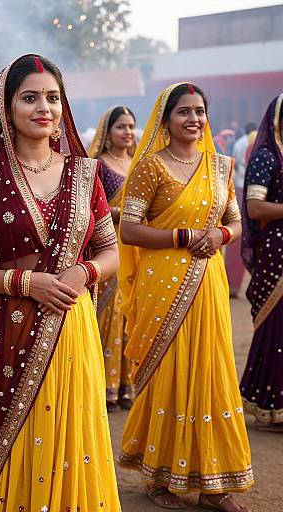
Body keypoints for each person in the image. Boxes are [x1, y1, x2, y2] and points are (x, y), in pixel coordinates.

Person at [0, 54, 121, 511]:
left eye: (53, 97)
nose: (44, 107)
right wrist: (24, 282)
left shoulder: (85, 173)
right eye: (30, 97)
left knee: (70, 441)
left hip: (71, 331)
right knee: (14, 445)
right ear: (6, 106)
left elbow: (110, 251)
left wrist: (83, 271)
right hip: (5, 331)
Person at [118, 83, 253, 511]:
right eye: (183, 112)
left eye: (199, 111)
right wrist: (184, 235)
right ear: (166, 119)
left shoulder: (220, 167)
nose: (193, 119)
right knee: (170, 372)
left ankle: (215, 483)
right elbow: (129, 230)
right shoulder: (150, 168)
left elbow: (236, 222)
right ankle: (159, 476)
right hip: (163, 285)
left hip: (207, 283)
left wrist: (219, 234)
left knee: (211, 370)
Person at [240, 94, 283, 434]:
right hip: (276, 252)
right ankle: (269, 403)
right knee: (274, 324)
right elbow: (254, 208)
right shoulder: (267, 156)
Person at [88, 106, 136, 411]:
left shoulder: (139, 164)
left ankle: (125, 385)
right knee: (108, 314)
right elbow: (91, 209)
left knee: (131, 313)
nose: (128, 132)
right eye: (121, 127)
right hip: (107, 247)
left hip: (136, 248)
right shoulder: (98, 166)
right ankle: (104, 385)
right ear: (108, 132)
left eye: (131, 126)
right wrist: (126, 214)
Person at [227, 122, 258, 297]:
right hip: (253, 194)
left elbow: (236, 165)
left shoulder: (239, 142)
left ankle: (233, 284)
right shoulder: (262, 143)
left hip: (240, 188)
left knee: (238, 238)